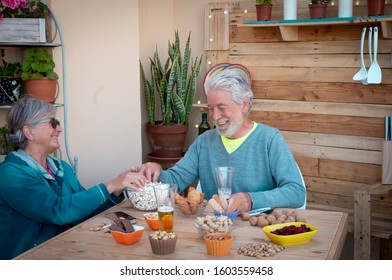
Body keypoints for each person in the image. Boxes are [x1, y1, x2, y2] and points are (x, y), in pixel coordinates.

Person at [139, 63, 306, 214]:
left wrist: (250, 200)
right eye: (211, 108)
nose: (215, 116)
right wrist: (157, 172)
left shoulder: (269, 139)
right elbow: (175, 180)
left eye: (221, 107)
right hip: (214, 232)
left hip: (258, 232)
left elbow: (296, 192)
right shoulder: (204, 142)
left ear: (245, 104)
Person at [0, 96, 147, 259]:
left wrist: (118, 188)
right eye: (52, 123)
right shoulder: (11, 174)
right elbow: (56, 211)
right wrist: (110, 185)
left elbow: (85, 210)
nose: (59, 129)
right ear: (29, 132)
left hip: (66, 253)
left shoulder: (61, 168)